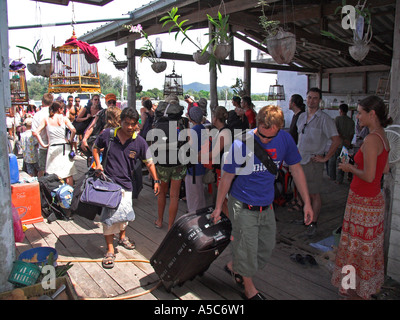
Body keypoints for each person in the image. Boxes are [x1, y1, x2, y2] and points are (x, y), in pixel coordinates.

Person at [211, 105, 313, 300]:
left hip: (266, 204)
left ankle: (235, 266)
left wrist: (307, 202)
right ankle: (249, 289)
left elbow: (297, 170)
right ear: (257, 124)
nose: (265, 140)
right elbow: (227, 177)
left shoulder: (285, 139)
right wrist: (218, 207)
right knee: (247, 247)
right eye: (262, 136)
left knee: (265, 248)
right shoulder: (241, 143)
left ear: (280, 127)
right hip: (242, 203)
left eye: (270, 137)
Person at [331, 95, 392, 300]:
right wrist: (361, 167)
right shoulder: (382, 135)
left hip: (362, 201)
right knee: (366, 251)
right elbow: (385, 169)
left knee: (354, 250)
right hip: (372, 200)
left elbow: (369, 175)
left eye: (359, 112)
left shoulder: (371, 138)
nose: (357, 117)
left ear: (371, 114)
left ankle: (352, 292)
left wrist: (350, 167)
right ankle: (363, 290)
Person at [93, 106, 160, 269]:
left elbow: (149, 162)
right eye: (126, 123)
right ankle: (110, 250)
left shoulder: (140, 142)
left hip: (127, 184)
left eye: (133, 124)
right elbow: (95, 148)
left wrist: (156, 180)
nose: (130, 127)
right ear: (120, 121)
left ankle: (122, 237)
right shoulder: (108, 135)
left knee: (125, 216)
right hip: (109, 184)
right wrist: (98, 164)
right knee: (108, 219)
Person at [296, 87, 341, 237]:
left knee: (314, 193)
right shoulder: (302, 116)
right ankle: (306, 218)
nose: (312, 100)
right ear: (306, 99)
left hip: (314, 161)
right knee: (304, 193)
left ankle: (313, 222)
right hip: (300, 160)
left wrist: (326, 158)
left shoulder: (325, 119)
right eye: (309, 97)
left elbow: (336, 140)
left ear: (319, 101)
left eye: (315, 98)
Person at [153, 95, 188, 229]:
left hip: (162, 161)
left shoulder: (158, 120)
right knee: (174, 196)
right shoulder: (183, 121)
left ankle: (160, 220)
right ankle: (171, 225)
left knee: (162, 193)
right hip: (178, 162)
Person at [33, 101, 77, 186]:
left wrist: (43, 144)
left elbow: (35, 132)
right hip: (64, 147)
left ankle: (54, 192)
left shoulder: (46, 119)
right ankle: (70, 194)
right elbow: (74, 130)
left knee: (52, 173)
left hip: (52, 147)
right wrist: (70, 140)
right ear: (59, 109)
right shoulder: (63, 118)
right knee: (68, 174)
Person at [185, 106, 207, 213]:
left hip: (193, 167)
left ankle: (194, 213)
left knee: (193, 193)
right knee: (200, 192)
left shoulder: (193, 131)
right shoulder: (203, 128)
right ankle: (202, 210)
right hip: (201, 165)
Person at [328, 103, 355, 184]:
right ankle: (339, 180)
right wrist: (348, 141)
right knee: (343, 162)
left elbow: (336, 131)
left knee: (332, 161)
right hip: (345, 145)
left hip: (337, 144)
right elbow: (352, 134)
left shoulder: (337, 119)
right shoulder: (351, 121)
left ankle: (332, 177)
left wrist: (343, 139)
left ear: (340, 110)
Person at [32, 93, 54, 177]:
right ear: (52, 102)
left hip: (43, 146)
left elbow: (34, 132)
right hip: (54, 145)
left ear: (42, 102)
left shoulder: (37, 115)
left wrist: (42, 144)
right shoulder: (55, 115)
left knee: (42, 169)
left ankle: (41, 188)